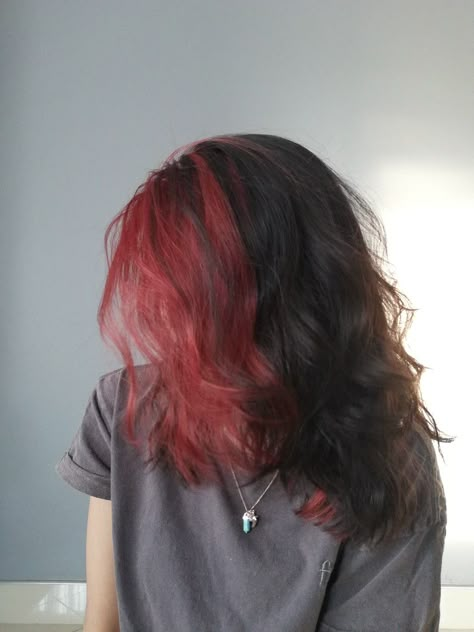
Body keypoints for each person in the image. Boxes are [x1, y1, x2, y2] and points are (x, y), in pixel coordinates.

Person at [55, 133, 451, 632]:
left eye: (184, 291)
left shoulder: (390, 458)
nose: (163, 315)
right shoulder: (122, 407)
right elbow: (103, 623)